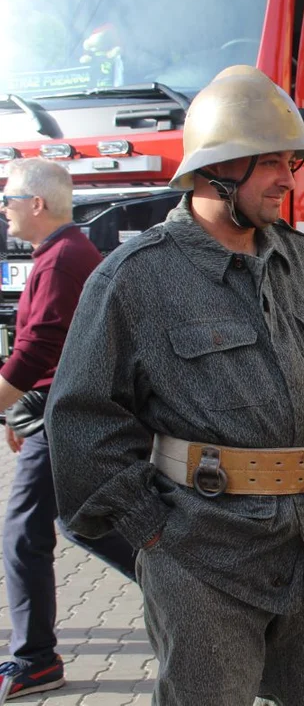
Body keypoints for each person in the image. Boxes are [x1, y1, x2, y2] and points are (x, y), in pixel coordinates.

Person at [44, 65, 304, 704]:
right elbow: (82, 418)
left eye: (291, 162)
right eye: (270, 162)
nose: (288, 178)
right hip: (204, 557)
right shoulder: (136, 278)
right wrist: (152, 532)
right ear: (215, 169)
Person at [0, 159, 136, 698]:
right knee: (85, 523)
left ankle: (35, 661)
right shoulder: (61, 254)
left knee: (23, 535)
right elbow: (49, 345)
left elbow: (40, 347)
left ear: (37, 204)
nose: (4, 209)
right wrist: (20, 409)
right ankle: (190, 588)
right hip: (57, 414)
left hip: (65, 420)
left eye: (8, 199)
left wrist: (6, 400)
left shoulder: (61, 260)